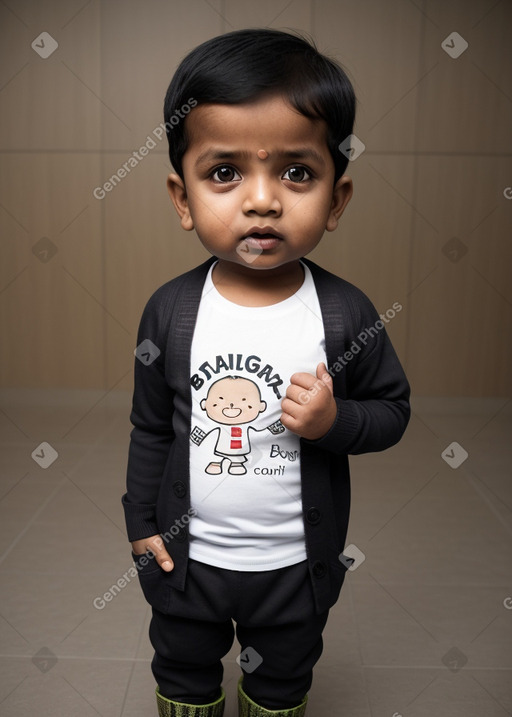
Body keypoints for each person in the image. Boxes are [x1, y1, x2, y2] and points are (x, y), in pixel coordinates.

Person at [122, 27, 410, 717]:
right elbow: (150, 425)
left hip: (293, 570)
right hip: (187, 562)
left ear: (336, 200)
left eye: (296, 172)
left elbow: (393, 411)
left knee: (281, 679)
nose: (261, 200)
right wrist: (140, 522)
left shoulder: (344, 314)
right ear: (182, 196)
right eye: (224, 172)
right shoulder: (171, 313)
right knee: (184, 669)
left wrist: (336, 421)